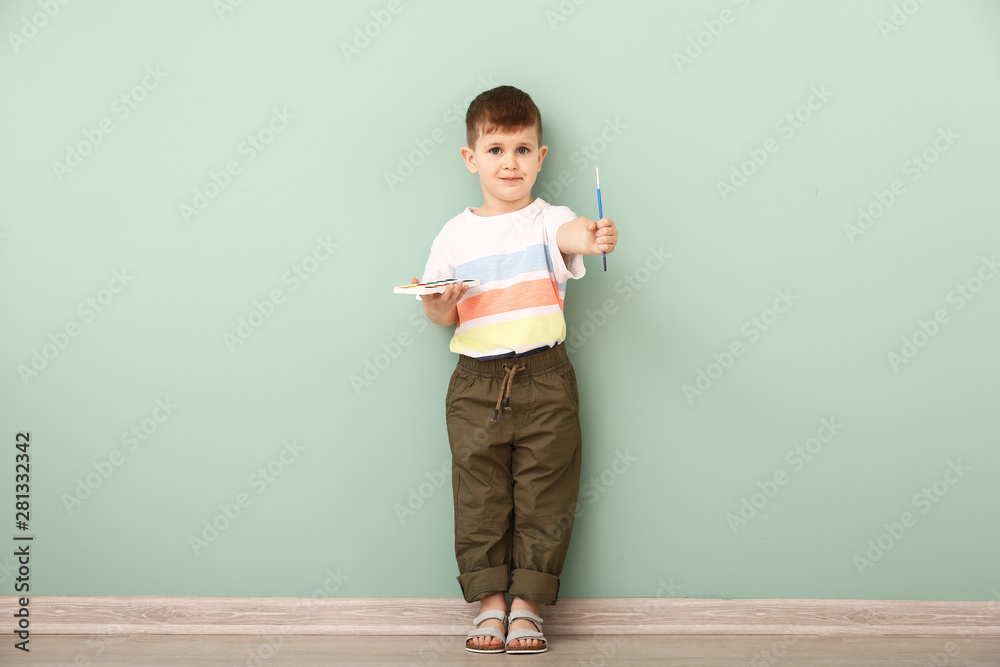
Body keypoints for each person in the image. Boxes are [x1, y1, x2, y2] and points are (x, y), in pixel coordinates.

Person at [412, 85, 618, 654]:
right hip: (476, 384)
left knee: (545, 495)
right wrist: (436, 306)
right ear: (470, 157)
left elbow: (573, 232)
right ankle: (489, 604)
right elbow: (439, 309)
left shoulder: (547, 219)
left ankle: (527, 604)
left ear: (540, 158)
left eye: (523, 150)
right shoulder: (454, 234)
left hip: (547, 380)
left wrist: (594, 237)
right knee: (479, 496)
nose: (510, 163)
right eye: (497, 149)